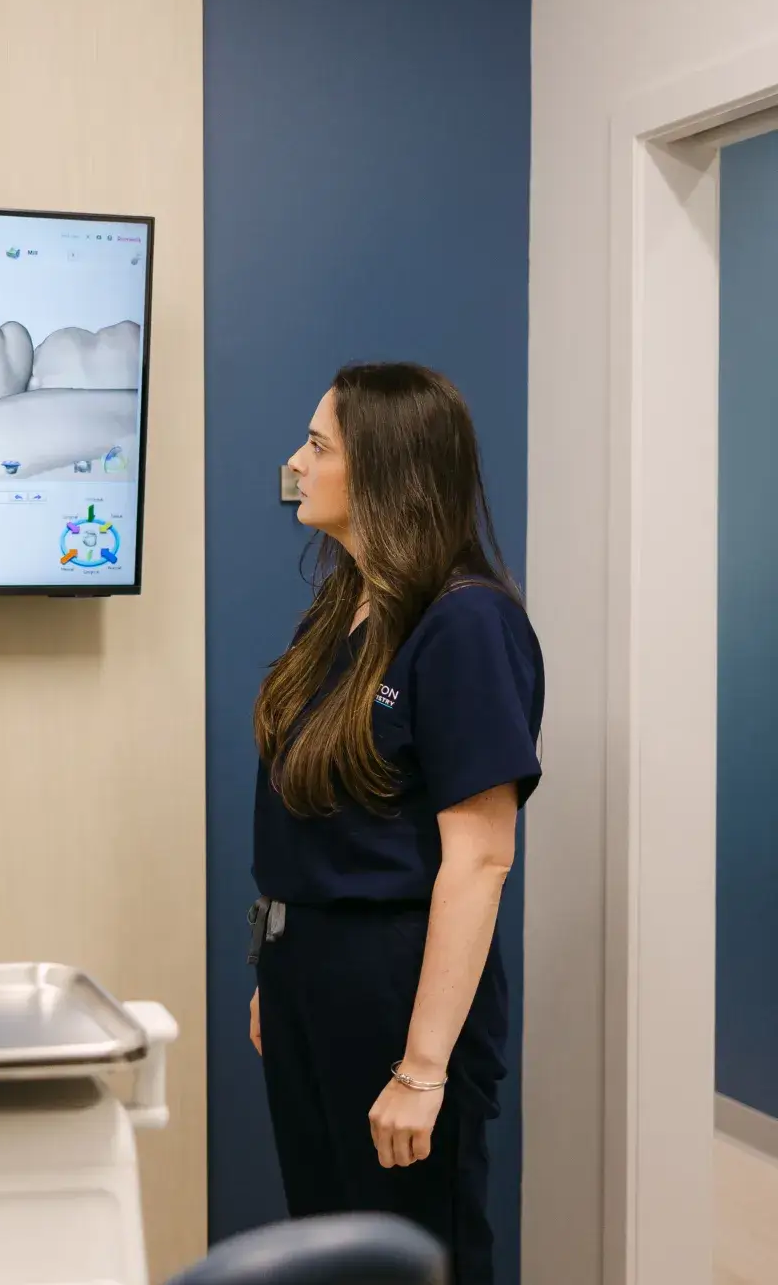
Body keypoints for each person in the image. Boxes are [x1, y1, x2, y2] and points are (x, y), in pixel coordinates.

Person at [246, 363, 543, 1284]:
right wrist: (280, 970)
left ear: (383, 471)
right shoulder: (343, 610)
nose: (297, 463)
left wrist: (421, 1069)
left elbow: (482, 860)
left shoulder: (468, 626)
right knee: (336, 1252)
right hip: (307, 981)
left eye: (319, 446)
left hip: (396, 992)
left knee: (416, 1255)